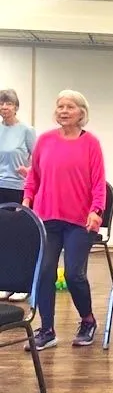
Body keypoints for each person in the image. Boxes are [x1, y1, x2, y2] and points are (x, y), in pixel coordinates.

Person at [23, 90, 106, 351]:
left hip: (79, 222)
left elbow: (98, 182)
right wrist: (27, 199)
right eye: (60, 106)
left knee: (73, 274)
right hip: (47, 218)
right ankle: (46, 329)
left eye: (70, 106)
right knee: (44, 272)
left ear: (82, 112)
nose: (63, 111)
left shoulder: (90, 143)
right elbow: (33, 176)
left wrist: (97, 210)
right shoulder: (45, 140)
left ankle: (87, 320)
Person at [0, 88, 36, 302]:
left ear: (16, 106)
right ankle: (5, 282)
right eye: (2, 103)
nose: (4, 107)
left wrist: (29, 173)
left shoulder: (26, 130)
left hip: (18, 187)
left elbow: (38, 160)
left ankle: (22, 284)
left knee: (19, 237)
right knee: (3, 237)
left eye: (9, 103)